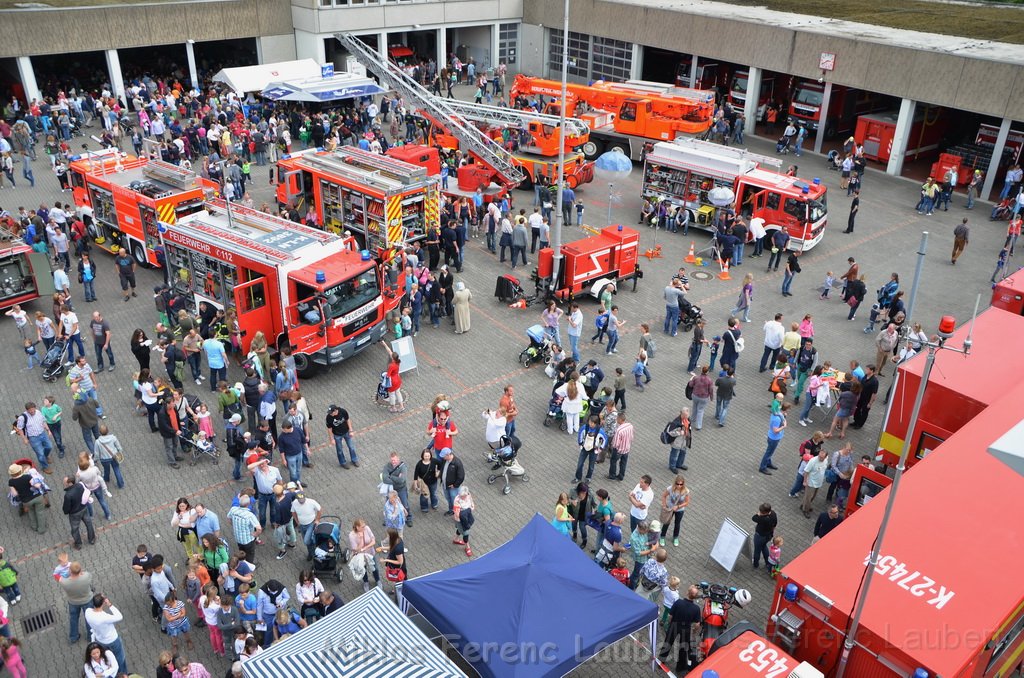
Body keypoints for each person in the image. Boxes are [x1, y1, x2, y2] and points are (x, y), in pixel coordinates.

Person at [84, 594, 128, 674]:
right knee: (119, 658)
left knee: (106, 658)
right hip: (112, 640)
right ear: (103, 603)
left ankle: (111, 670)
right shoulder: (104, 617)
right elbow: (119, 616)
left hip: (100, 640)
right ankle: (122, 674)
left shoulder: (88, 612)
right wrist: (110, 604)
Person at [60, 561, 93, 643]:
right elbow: (86, 573)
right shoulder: (86, 576)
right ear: (80, 570)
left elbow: (58, 576)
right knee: (89, 619)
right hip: (87, 600)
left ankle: (74, 637)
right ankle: (90, 636)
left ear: (70, 571)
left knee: (73, 619)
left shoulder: (65, 582)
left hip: (73, 602)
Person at [62, 475, 96, 549]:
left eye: (65, 482)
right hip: (84, 508)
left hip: (74, 514)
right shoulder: (80, 485)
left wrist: (66, 511)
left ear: (70, 483)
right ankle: (92, 539)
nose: (63, 483)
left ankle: (78, 544)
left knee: (75, 529)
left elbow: (66, 509)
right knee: (89, 523)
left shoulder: (68, 495)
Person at [573, 414, 607, 484]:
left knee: (591, 466)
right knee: (580, 464)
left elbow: (604, 439)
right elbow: (580, 435)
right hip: (584, 449)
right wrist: (580, 444)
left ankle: (588, 478)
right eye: (589, 422)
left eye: (592, 423)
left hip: (593, 450)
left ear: (595, 423)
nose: (590, 424)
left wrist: (600, 449)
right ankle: (577, 477)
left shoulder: (600, 431)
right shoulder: (584, 427)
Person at [659, 476, 690, 548]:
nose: (679, 486)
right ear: (675, 483)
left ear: (683, 484)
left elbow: (687, 502)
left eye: (681, 484)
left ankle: (675, 537)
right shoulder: (670, 489)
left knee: (677, 523)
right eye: (677, 484)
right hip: (670, 509)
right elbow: (664, 496)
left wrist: (678, 506)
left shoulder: (686, 491)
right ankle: (662, 536)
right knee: (666, 522)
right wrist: (664, 505)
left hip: (680, 510)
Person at [758, 404, 789, 475]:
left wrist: (785, 417)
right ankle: (762, 467)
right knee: (769, 452)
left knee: (770, 452)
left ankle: (768, 463)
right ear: (786, 409)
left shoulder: (779, 414)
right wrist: (784, 426)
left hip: (773, 437)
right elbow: (775, 430)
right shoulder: (777, 418)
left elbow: (783, 420)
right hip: (774, 438)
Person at [801, 448, 829, 517]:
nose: (820, 458)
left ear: (825, 457)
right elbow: (806, 471)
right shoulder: (813, 461)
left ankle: (803, 505)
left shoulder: (825, 460)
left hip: (818, 482)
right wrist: (805, 481)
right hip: (811, 482)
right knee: (808, 497)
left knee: (813, 496)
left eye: (822, 457)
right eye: (819, 456)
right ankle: (805, 510)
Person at [751, 502, 778, 569]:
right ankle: (767, 562)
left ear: (765, 512)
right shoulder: (773, 513)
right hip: (768, 535)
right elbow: (774, 525)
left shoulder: (763, 519)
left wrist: (758, 514)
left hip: (760, 536)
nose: (760, 512)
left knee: (757, 550)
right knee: (763, 546)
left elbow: (753, 518)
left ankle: (755, 564)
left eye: (761, 512)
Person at [452, 485, 476, 558]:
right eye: (462, 496)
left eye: (465, 495)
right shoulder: (457, 500)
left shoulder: (468, 494)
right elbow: (457, 514)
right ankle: (467, 547)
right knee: (465, 533)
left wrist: (472, 506)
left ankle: (455, 539)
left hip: (467, 516)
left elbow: (471, 502)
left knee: (460, 530)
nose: (464, 497)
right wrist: (461, 522)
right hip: (460, 520)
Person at [381, 342, 404, 413]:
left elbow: (388, 375)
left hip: (392, 382)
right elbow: (389, 352)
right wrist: (384, 344)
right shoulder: (398, 362)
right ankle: (401, 406)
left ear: (393, 358)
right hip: (398, 380)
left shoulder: (391, 366)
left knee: (392, 394)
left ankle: (393, 407)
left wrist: (384, 375)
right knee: (398, 392)